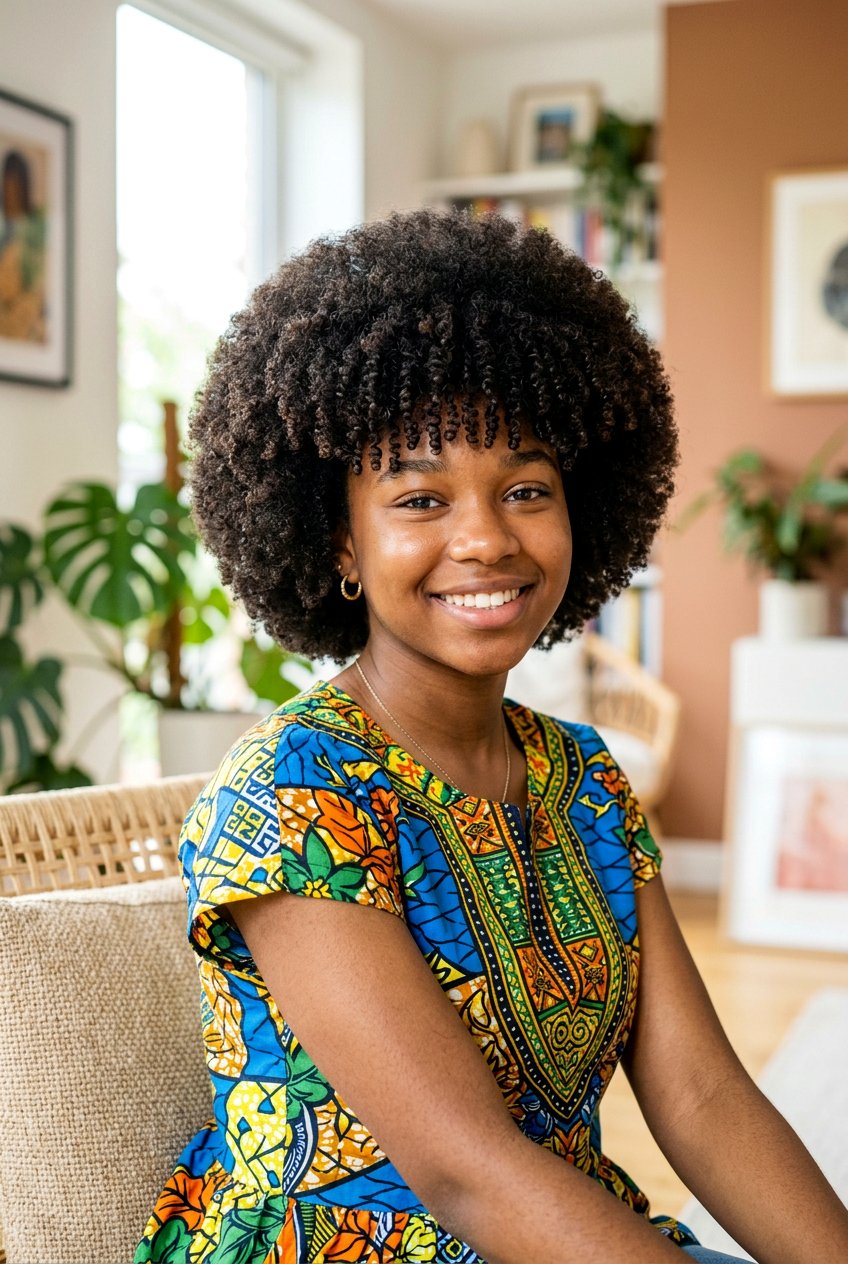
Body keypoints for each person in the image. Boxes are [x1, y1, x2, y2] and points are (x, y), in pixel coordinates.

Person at [135, 209, 848, 1264]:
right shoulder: (295, 786)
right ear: (339, 540)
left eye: (526, 489)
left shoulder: (583, 777)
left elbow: (700, 1096)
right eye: (419, 496)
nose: (483, 538)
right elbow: (467, 1171)